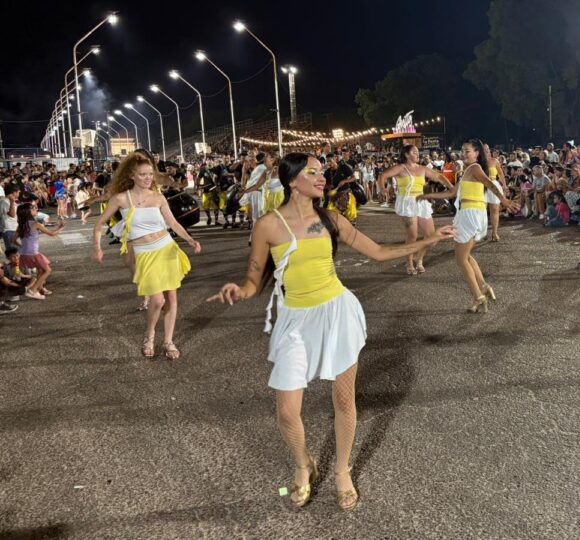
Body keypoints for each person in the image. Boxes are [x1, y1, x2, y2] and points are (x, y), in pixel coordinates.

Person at [207, 152, 456, 510]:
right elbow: (253, 278)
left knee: (343, 400)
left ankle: (341, 469)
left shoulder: (331, 219)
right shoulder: (268, 225)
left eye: (322, 171)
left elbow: (380, 252)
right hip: (294, 320)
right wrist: (240, 290)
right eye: (313, 172)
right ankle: (303, 463)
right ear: (292, 180)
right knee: (288, 412)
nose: (322, 177)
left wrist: (430, 242)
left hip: (336, 314)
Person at [91, 152, 202, 359]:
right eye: (143, 174)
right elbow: (99, 225)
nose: (148, 178)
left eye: (150, 174)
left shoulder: (158, 197)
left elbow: (173, 223)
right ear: (132, 175)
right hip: (144, 253)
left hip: (166, 249)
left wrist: (189, 240)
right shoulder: (121, 199)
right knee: (157, 300)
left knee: (171, 297)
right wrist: (97, 247)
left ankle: (168, 341)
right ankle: (149, 335)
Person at [419, 139, 518, 313]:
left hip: (470, 214)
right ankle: (484, 287)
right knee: (466, 256)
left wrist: (504, 200)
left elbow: (489, 183)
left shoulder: (474, 168)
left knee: (461, 259)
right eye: (463, 151)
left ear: (476, 153)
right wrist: (428, 197)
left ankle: (478, 296)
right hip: (469, 213)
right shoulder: (467, 171)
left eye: (467, 151)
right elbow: (452, 192)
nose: (463, 154)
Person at [377, 145, 455, 274]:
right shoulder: (401, 168)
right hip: (407, 203)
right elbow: (383, 175)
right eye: (414, 152)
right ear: (407, 155)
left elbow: (439, 177)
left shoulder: (423, 169)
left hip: (421, 203)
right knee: (412, 236)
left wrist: (452, 187)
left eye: (418, 152)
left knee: (431, 237)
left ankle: (419, 259)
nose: (418, 154)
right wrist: (382, 188)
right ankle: (409, 263)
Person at [15, 200, 65, 300]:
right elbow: (52, 234)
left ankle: (39, 288)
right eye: (33, 208)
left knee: (40, 270)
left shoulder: (21, 225)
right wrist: (61, 227)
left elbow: (14, 240)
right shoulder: (35, 223)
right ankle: (33, 290)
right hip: (33, 253)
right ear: (28, 212)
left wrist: (24, 247)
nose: (36, 209)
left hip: (24, 254)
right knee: (47, 270)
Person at [482, 144, 507, 241]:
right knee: (481, 210)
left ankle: (494, 233)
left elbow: (500, 173)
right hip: (482, 186)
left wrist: (504, 185)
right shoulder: (477, 162)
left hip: (493, 185)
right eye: (484, 149)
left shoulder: (494, 161)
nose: (487, 151)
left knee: (494, 210)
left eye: (488, 149)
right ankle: (483, 232)